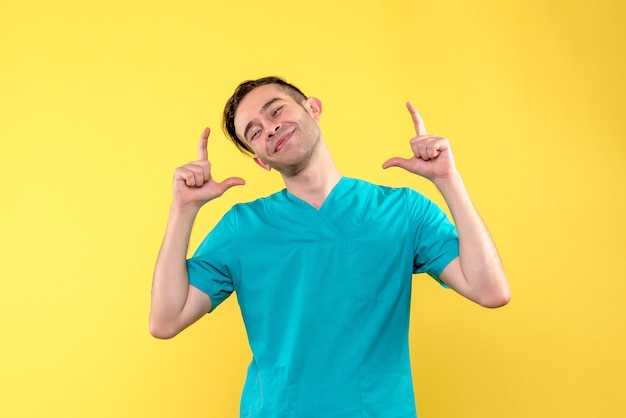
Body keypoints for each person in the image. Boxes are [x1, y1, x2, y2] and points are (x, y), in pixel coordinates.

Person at [150, 76, 510, 417]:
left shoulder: (402, 212)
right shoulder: (243, 228)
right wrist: (183, 209)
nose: (270, 127)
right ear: (260, 160)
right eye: (254, 132)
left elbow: (490, 290)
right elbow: (165, 320)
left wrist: (448, 179)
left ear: (313, 107)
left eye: (275, 110)